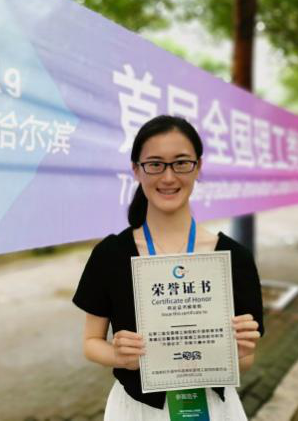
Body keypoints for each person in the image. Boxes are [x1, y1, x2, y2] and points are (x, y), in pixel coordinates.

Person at [72, 115, 264, 420]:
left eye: (181, 163)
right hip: (136, 410)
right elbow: (90, 343)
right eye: (155, 164)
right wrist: (119, 356)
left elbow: (247, 359)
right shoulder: (110, 255)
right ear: (136, 169)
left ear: (198, 167)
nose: (169, 177)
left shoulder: (233, 257)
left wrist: (239, 352)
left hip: (213, 408)